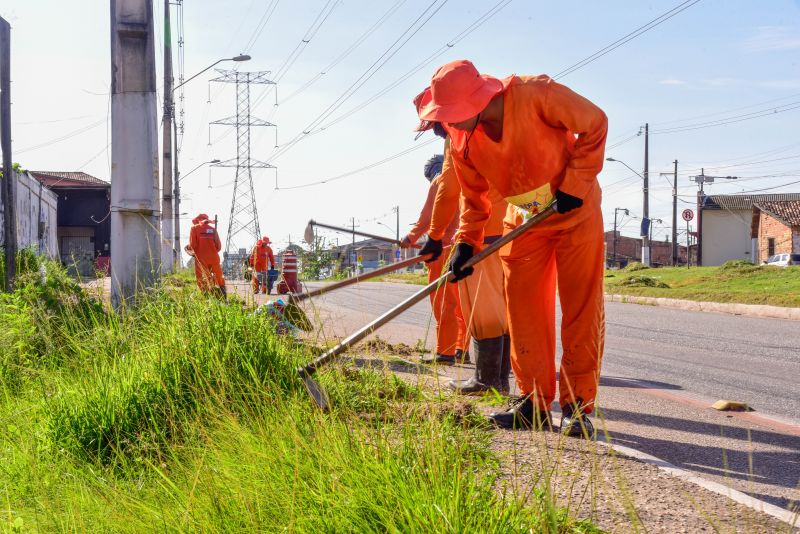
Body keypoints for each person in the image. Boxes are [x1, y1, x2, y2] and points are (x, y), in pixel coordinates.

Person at [416, 60, 607, 437]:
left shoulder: (535, 94)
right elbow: (474, 200)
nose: (449, 125)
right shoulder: (462, 141)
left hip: (574, 211)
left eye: (454, 116)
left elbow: (595, 122)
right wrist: (465, 244)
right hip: (525, 221)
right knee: (523, 313)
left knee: (579, 311)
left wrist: (576, 181)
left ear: (478, 101)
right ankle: (533, 403)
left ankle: (576, 406)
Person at [413, 87, 511, 395]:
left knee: (483, 311)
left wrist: (435, 235)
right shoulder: (496, 118)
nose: (435, 130)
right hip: (512, 224)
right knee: (504, 309)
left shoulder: (458, 134)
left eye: (433, 124)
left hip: (481, 231)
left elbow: (448, 190)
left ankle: (488, 380)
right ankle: (498, 379)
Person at [399, 155, 468, 365]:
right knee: (462, 303)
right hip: (466, 247)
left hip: (443, 249)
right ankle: (460, 348)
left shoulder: (440, 179)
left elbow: (427, 216)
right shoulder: (465, 176)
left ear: (430, 173)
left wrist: (410, 238)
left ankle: (445, 352)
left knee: (443, 301)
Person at [188, 213, 227, 299]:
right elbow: (219, 247)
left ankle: (206, 297)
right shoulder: (213, 230)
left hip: (201, 259)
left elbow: (192, 245)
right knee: (218, 277)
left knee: (202, 277)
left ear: (198, 220)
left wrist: (189, 248)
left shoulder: (194, 228)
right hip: (214, 258)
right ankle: (223, 296)